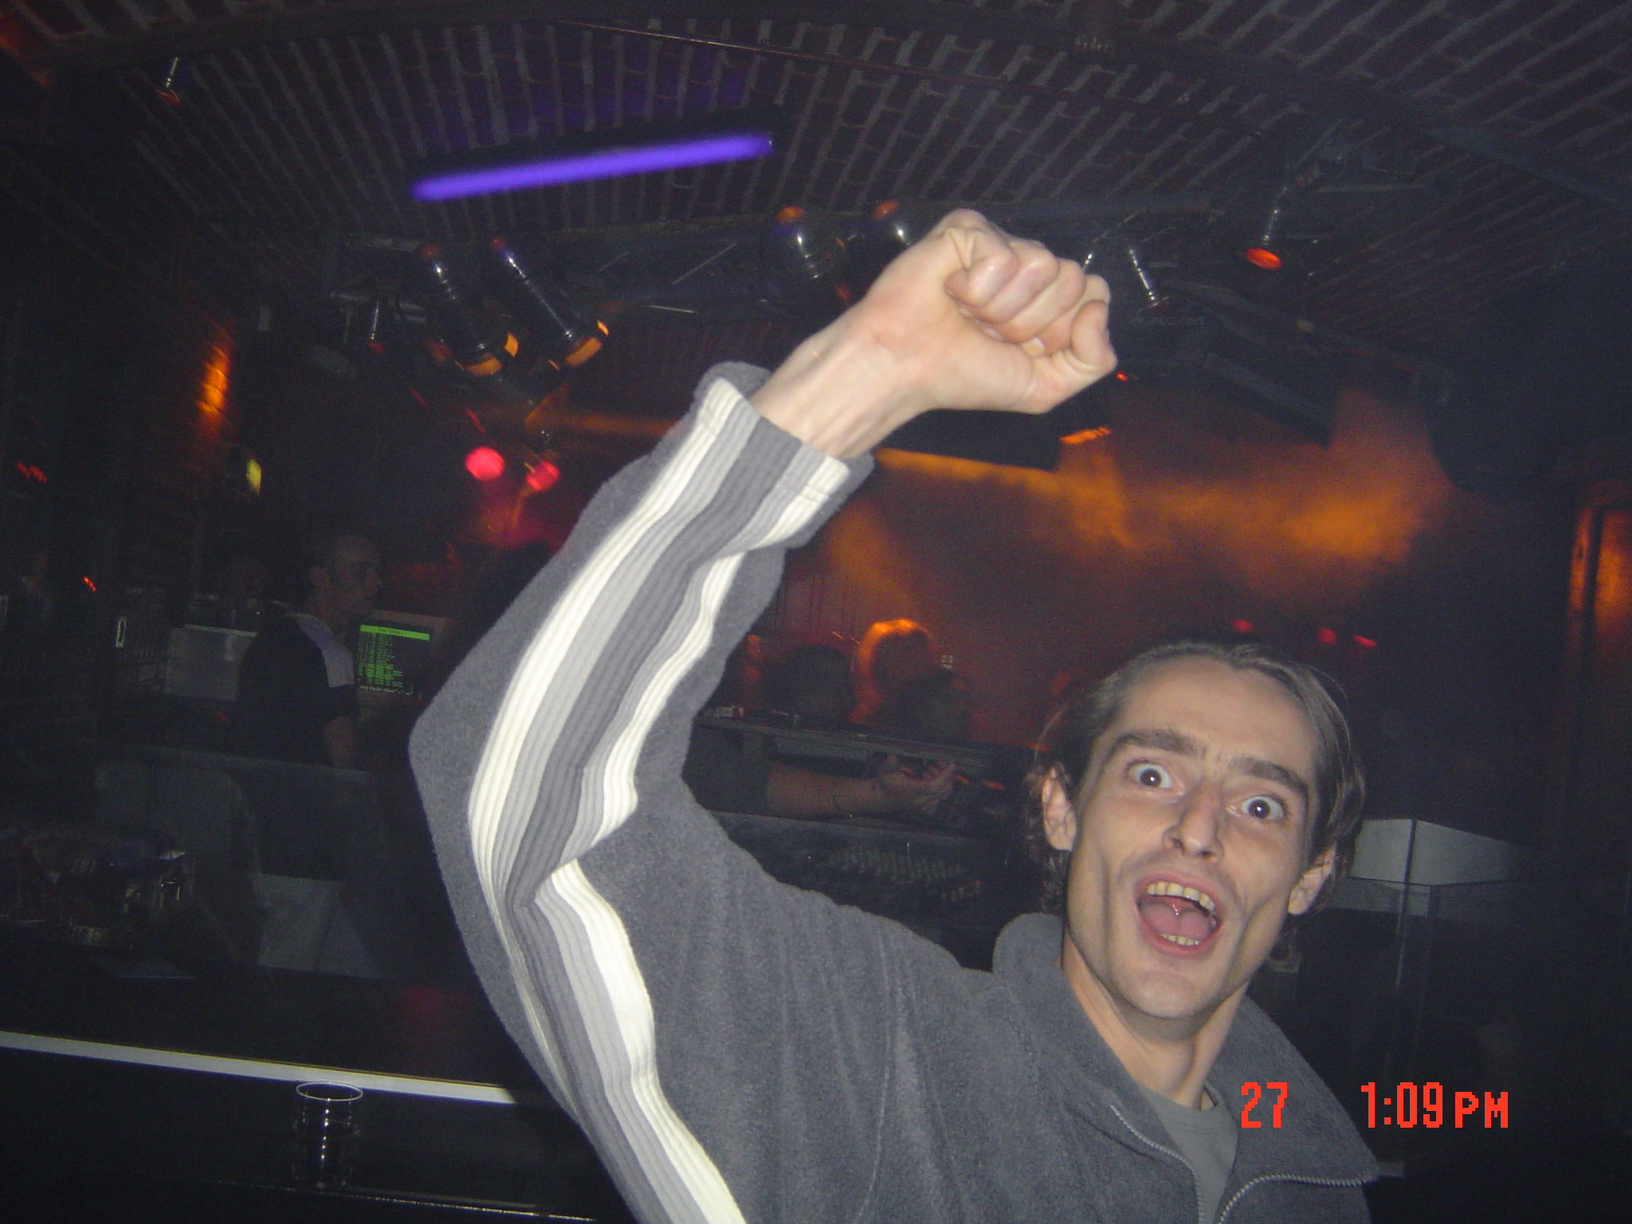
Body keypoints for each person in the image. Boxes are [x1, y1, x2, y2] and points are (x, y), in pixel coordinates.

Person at [410, 212, 1376, 1222]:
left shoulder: (1314, 1181)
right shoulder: (880, 1066)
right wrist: (871, 369)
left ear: (1312, 875)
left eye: (1262, 806)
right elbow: (526, 802)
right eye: (1151, 774)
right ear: (1061, 808)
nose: (1200, 827)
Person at [233, 527, 382, 972]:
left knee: (348, 963)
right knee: (288, 972)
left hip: (262, 835)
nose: (375, 583)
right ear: (321, 578)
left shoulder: (273, 638)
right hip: (305, 848)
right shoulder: (329, 652)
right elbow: (345, 759)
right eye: (360, 572)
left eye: (375, 572)